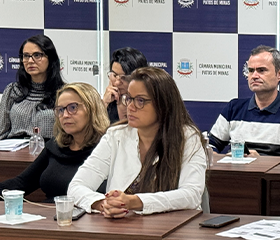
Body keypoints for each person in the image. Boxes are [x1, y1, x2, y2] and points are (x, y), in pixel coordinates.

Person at [69, 67, 206, 217]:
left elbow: (191, 195)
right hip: (123, 227)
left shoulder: (188, 138)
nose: (130, 107)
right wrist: (103, 204)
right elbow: (76, 186)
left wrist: (136, 202)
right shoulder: (116, 135)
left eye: (140, 100)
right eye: (128, 98)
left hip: (174, 227)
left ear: (163, 104)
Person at [0, 83, 110, 200]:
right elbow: (21, 183)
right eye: (60, 110)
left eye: (73, 108)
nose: (65, 115)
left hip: (89, 211)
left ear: (92, 109)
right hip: (49, 210)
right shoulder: (55, 146)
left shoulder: (109, 148)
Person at [209, 45, 280, 158]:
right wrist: (226, 160)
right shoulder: (233, 108)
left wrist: (261, 163)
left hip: (274, 171)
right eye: (251, 70)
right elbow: (208, 147)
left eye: (261, 70)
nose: (254, 76)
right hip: (236, 170)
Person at [0, 34, 65, 140]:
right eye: (26, 56)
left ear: (50, 58)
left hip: (49, 148)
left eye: (37, 55)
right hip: (14, 148)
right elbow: (1, 133)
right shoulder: (13, 90)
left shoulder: (64, 93)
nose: (30, 61)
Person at [102, 47, 148, 123]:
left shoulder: (148, 105)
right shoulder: (107, 103)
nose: (117, 83)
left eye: (124, 78)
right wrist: (104, 104)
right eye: (114, 75)